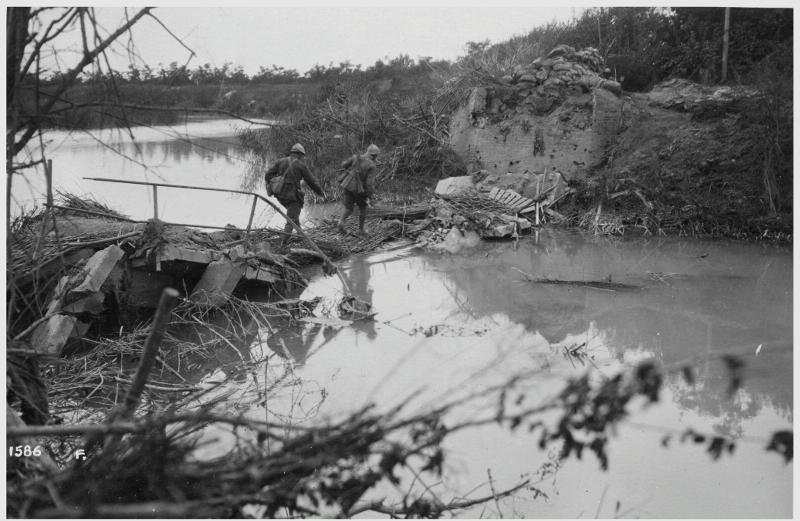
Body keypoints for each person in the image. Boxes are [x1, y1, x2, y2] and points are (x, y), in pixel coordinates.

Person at [264, 143, 323, 246]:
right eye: (302, 156)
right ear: (300, 155)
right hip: (292, 197)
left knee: (294, 215)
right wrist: (320, 192)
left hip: (280, 196)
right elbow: (311, 181)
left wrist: (275, 182)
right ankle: (283, 244)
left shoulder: (280, 161)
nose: (303, 158)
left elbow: (268, 175)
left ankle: (302, 237)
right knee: (291, 220)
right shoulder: (301, 165)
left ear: (292, 153)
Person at [337, 143, 379, 236]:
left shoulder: (356, 157)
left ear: (367, 152)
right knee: (363, 208)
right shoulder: (372, 166)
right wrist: (370, 196)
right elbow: (369, 183)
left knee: (348, 208)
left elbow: (343, 165)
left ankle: (341, 222)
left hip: (347, 185)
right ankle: (361, 230)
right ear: (375, 156)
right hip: (359, 190)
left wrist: (350, 166)